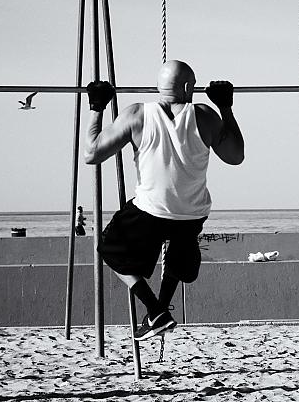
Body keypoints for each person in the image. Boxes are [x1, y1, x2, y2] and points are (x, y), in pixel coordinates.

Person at [84, 60, 244, 340]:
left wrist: (97, 108)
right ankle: (159, 311)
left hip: (151, 211)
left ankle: (156, 311)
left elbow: (92, 153)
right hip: (192, 213)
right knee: (179, 257)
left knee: (109, 249)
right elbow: (235, 156)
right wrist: (225, 107)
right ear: (186, 87)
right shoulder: (205, 115)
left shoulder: (136, 114)